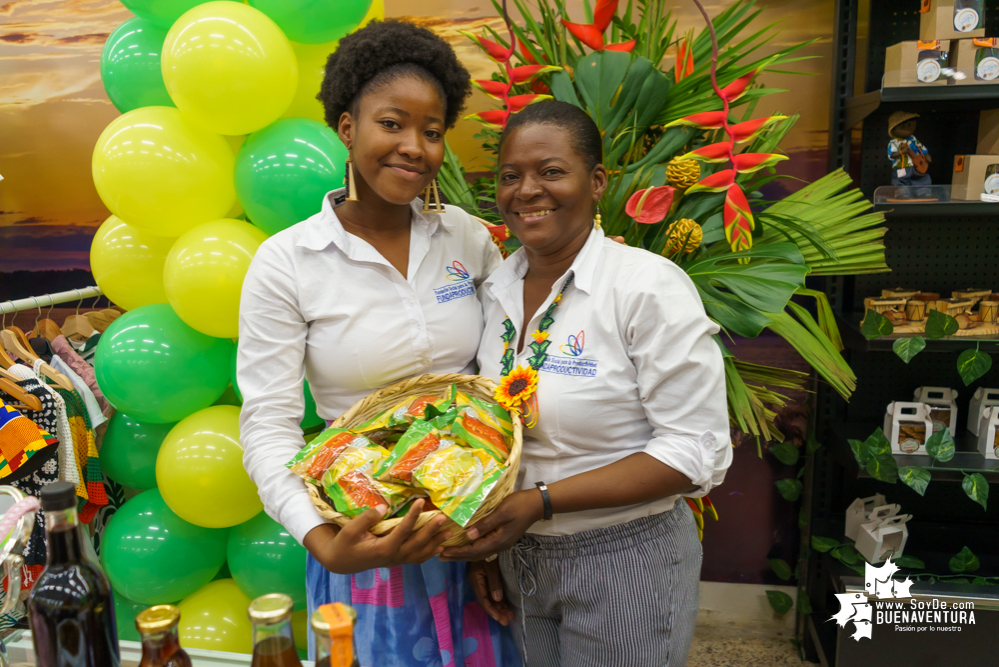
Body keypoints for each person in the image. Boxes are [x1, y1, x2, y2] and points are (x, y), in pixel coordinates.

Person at [237, 20, 519, 667]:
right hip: (366, 540)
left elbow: (500, 377)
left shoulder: (468, 239)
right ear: (346, 126)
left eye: (431, 129)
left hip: (473, 526)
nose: (414, 147)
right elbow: (268, 424)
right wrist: (320, 537)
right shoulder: (288, 263)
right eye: (392, 123)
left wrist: (491, 523)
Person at [440, 100, 733, 667]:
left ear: (596, 182)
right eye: (510, 175)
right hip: (518, 555)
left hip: (627, 557)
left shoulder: (645, 287)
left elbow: (695, 451)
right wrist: (484, 545)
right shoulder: (495, 287)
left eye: (550, 172)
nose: (527, 190)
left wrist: (542, 501)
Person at [887, 111, 932, 190]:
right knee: (900, 181)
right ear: (893, 129)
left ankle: (923, 192)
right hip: (901, 167)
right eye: (902, 127)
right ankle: (902, 193)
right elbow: (892, 155)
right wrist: (901, 152)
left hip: (916, 166)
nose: (907, 129)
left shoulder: (914, 140)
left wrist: (926, 155)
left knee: (921, 179)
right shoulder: (894, 142)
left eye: (909, 125)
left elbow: (922, 148)